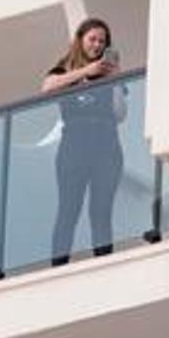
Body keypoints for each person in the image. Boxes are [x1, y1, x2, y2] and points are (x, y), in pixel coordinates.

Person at [42, 17, 126, 266]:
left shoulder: (107, 75)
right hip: (74, 146)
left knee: (101, 210)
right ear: (80, 40)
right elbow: (47, 87)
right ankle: (58, 266)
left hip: (106, 145)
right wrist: (86, 72)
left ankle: (104, 263)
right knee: (69, 208)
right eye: (93, 39)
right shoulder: (65, 70)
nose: (97, 45)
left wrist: (115, 80)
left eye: (102, 41)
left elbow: (120, 114)